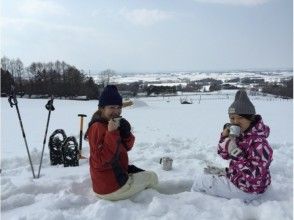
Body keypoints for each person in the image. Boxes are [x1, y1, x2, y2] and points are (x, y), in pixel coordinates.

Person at [191, 90, 273, 201]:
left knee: (200, 181)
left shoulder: (260, 143)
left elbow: (255, 175)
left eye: (240, 118)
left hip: (249, 189)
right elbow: (223, 154)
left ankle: (198, 204)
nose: (235, 122)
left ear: (250, 118)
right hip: (239, 179)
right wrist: (225, 137)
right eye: (232, 118)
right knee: (205, 174)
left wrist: (236, 154)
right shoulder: (242, 133)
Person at [85, 85, 158, 201]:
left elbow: (126, 147)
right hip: (110, 189)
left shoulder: (110, 122)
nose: (116, 111)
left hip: (111, 179)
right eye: (112, 107)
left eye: (119, 107)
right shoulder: (97, 127)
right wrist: (112, 133)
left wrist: (126, 134)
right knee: (153, 177)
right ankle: (149, 201)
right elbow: (101, 160)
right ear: (102, 108)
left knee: (141, 173)